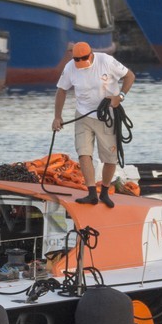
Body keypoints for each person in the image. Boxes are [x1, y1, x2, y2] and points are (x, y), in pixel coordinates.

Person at [53, 41, 135, 207]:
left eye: (85, 59)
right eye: (78, 60)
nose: (81, 64)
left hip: (108, 116)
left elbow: (130, 76)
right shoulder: (70, 67)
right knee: (84, 153)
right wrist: (57, 117)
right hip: (83, 115)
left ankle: (104, 192)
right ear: (73, 58)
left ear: (91, 55)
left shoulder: (106, 60)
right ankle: (91, 193)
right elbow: (61, 90)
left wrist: (120, 97)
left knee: (110, 159)